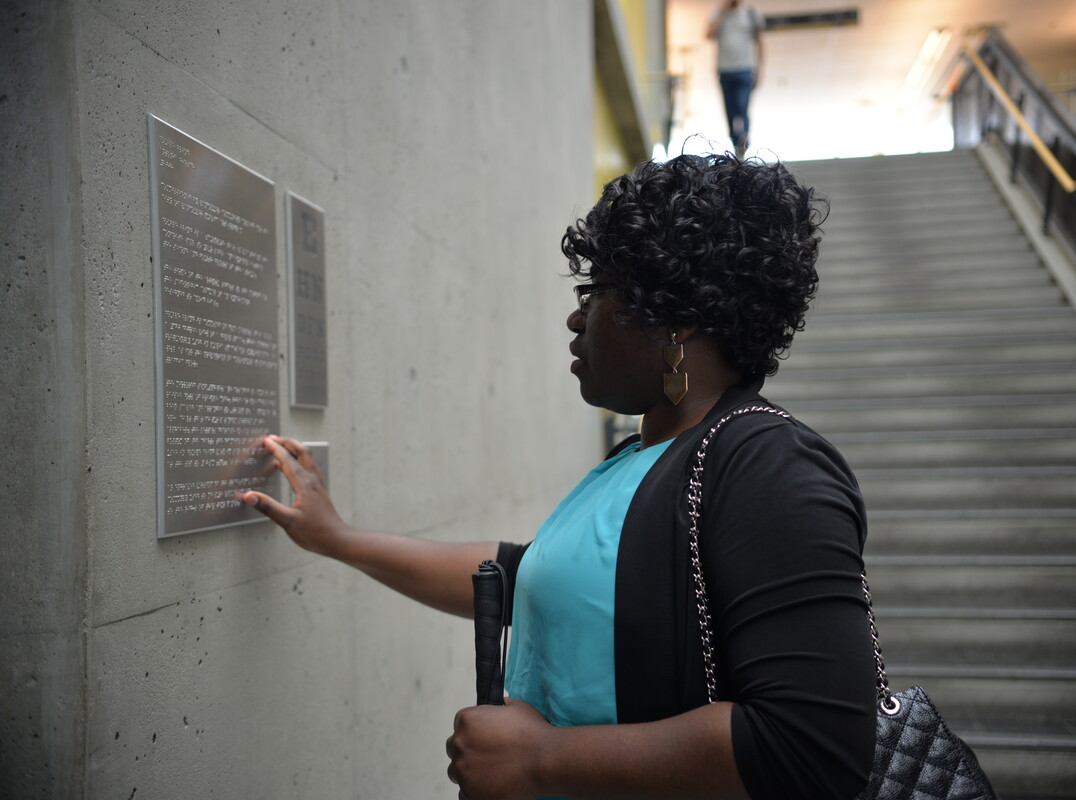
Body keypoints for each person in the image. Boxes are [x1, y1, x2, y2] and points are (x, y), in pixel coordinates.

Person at [239, 154, 877, 800]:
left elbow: (811, 745)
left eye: (596, 292)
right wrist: (336, 538)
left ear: (676, 319)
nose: (578, 319)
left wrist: (542, 758)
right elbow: (524, 576)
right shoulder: (635, 459)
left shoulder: (767, 464)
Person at [707, 1, 766, 157]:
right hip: (725, 70)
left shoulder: (751, 13)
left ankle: (744, 139)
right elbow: (709, 34)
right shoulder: (718, 13)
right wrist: (723, 10)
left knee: (742, 107)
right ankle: (735, 142)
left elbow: (760, 42)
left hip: (745, 69)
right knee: (730, 111)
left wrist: (760, 69)